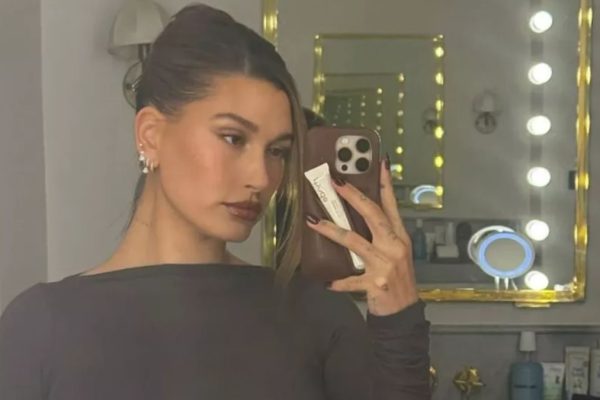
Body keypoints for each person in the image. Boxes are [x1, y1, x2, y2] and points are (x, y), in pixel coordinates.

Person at [0, 4, 430, 399]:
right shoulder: (42, 326)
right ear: (151, 135)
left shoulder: (319, 317)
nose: (261, 177)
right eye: (233, 138)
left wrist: (399, 319)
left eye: (277, 151)